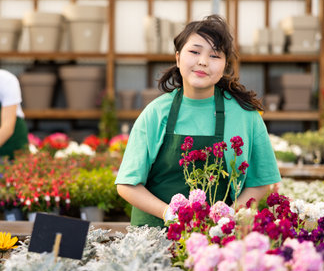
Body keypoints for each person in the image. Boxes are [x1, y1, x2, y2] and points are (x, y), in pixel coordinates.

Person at [115, 15, 281, 228]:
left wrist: (228, 216)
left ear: (224, 66)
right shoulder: (156, 113)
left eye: (215, 55)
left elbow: (260, 182)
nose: (203, 61)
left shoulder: (245, 115)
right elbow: (127, 184)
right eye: (194, 52)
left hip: (217, 238)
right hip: (154, 238)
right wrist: (167, 213)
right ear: (177, 58)